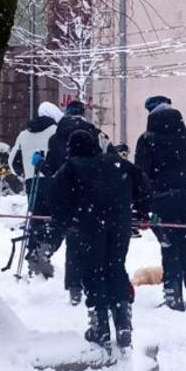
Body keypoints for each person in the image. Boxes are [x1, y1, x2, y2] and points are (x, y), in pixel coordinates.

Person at [51, 129, 149, 355]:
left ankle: (100, 325)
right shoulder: (117, 163)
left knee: (93, 272)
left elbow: (58, 198)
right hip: (119, 225)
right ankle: (123, 320)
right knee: (115, 267)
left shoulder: (71, 167)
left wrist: (64, 223)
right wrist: (141, 210)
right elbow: (142, 183)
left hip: (89, 226)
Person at [134, 95, 186, 310]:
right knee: (184, 237)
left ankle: (173, 293)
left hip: (162, 200)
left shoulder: (147, 139)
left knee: (168, 243)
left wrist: (142, 205)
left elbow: (141, 175)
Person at [42, 100, 114, 305]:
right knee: (95, 241)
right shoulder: (95, 134)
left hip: (66, 193)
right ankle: (94, 282)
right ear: (83, 114)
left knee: (73, 242)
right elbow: (110, 160)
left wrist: (42, 166)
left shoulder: (55, 138)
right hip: (93, 195)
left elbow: (50, 169)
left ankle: (74, 287)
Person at [8, 101, 62, 277]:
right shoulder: (57, 132)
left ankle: (33, 251)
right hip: (54, 181)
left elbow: (13, 161)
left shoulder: (24, 135)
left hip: (32, 182)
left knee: (36, 219)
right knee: (57, 220)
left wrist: (25, 172)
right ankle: (46, 250)